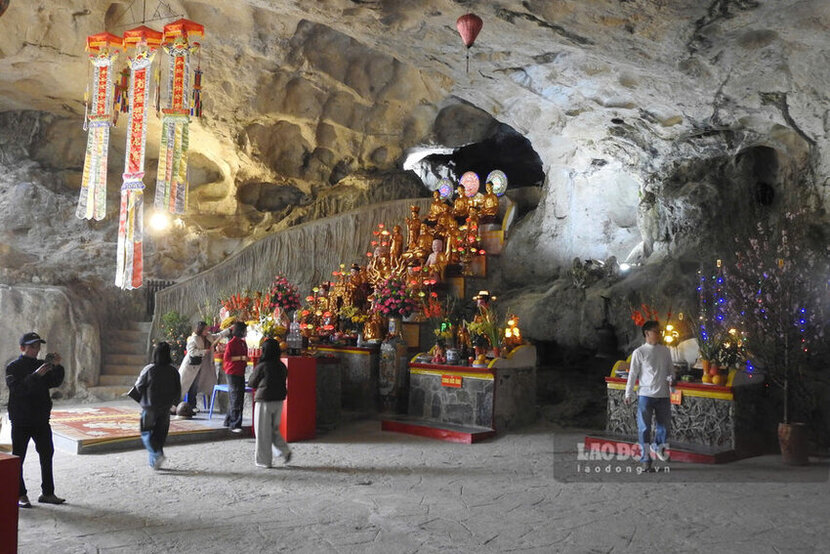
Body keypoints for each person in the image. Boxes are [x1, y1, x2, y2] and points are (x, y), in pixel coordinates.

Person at [5, 332, 66, 508]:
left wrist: (57, 366)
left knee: (47, 454)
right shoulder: (12, 367)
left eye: (38, 346)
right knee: (19, 458)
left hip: (40, 418)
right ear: (22, 348)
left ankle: (48, 492)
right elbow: (18, 390)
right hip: (21, 419)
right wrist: (36, 375)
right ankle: (21, 494)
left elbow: (54, 382)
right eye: (32, 346)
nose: (36, 350)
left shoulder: (42, 365)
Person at [624, 320, 674, 472]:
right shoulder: (639, 352)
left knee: (664, 427)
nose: (659, 334)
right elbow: (633, 374)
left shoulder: (665, 351)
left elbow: (671, 370)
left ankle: (658, 446)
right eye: (656, 331)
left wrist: (672, 379)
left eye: (660, 331)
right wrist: (629, 393)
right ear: (647, 333)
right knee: (644, 428)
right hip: (645, 394)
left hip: (663, 394)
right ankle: (646, 459)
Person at [134, 342, 181, 470]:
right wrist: (173, 404)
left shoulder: (149, 369)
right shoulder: (174, 371)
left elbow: (138, 386)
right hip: (166, 408)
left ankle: (156, 454)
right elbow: (178, 390)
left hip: (150, 407)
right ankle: (154, 463)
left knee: (146, 432)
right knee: (160, 435)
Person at [247, 338, 292, 468]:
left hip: (264, 400)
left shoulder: (262, 366)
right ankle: (284, 451)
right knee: (273, 430)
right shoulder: (281, 366)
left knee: (262, 432)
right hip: (279, 400)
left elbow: (252, 383)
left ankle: (264, 461)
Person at [179, 321, 228, 413]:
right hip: (193, 366)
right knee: (191, 385)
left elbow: (218, 335)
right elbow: (191, 352)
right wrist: (203, 352)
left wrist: (228, 330)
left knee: (197, 385)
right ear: (200, 329)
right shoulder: (193, 339)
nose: (207, 331)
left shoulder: (208, 336)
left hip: (204, 366)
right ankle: (190, 405)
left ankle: (193, 405)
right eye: (205, 329)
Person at [222, 321, 248, 433]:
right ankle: (235, 424)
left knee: (237, 396)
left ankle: (228, 420)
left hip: (240, 371)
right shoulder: (231, 343)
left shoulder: (243, 343)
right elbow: (227, 358)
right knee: (236, 397)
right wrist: (241, 358)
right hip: (232, 372)